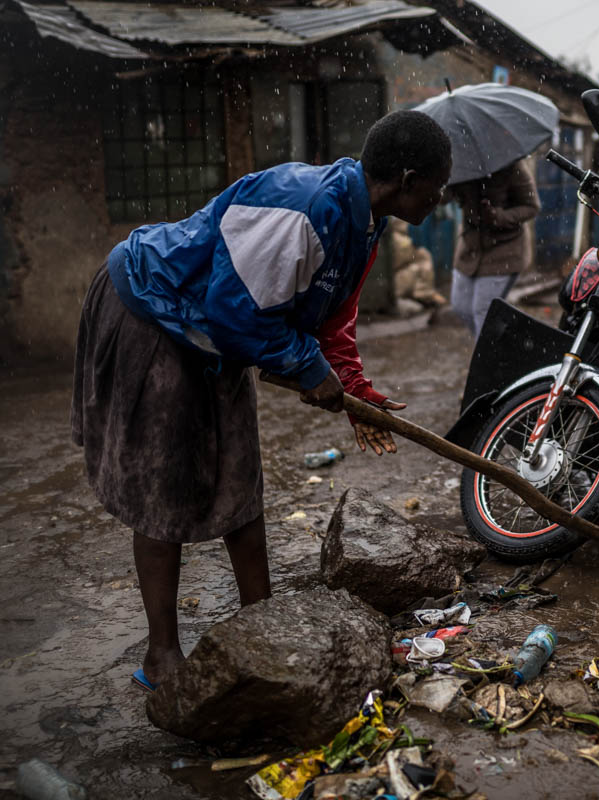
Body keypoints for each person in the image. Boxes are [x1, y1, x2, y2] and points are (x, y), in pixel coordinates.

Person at [70, 109, 452, 692]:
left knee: (239, 478)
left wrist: (350, 389)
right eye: (438, 184)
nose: (441, 198)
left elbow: (332, 317)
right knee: (163, 484)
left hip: (216, 335)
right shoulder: (304, 210)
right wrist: (306, 367)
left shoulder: (365, 223)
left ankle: (265, 624)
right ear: (405, 178)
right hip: (156, 310)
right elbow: (231, 312)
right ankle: (161, 655)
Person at [448, 158, 540, 339]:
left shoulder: (511, 165)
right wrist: (446, 180)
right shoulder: (457, 164)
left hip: (505, 251)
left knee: (483, 312)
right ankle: (498, 348)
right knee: (461, 306)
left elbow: (531, 207)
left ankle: (485, 361)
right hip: (469, 248)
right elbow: (441, 198)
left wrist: (499, 216)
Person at [385, 220, 444, 317]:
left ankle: (425, 293)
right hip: (397, 279)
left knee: (423, 257)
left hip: (401, 275)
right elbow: (401, 259)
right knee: (417, 267)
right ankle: (423, 293)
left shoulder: (401, 237)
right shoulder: (397, 239)